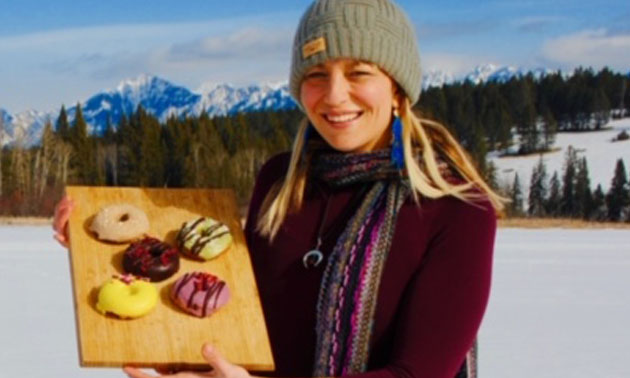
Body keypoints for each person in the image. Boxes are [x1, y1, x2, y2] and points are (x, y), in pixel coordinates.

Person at [54, 0, 505, 377]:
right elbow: (237, 322)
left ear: (398, 88)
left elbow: (418, 375)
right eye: (316, 74)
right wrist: (96, 252)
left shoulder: (455, 208)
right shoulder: (280, 182)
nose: (334, 95)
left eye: (359, 72)